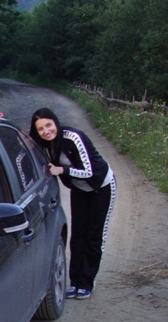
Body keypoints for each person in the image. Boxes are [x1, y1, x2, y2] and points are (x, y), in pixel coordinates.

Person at [30, 108, 116, 300]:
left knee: (94, 236)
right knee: (77, 236)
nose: (46, 131)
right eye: (41, 129)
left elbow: (89, 172)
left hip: (101, 187)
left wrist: (63, 170)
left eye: (49, 125)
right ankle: (75, 282)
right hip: (79, 189)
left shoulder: (73, 137)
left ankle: (87, 283)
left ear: (56, 122)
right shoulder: (44, 145)